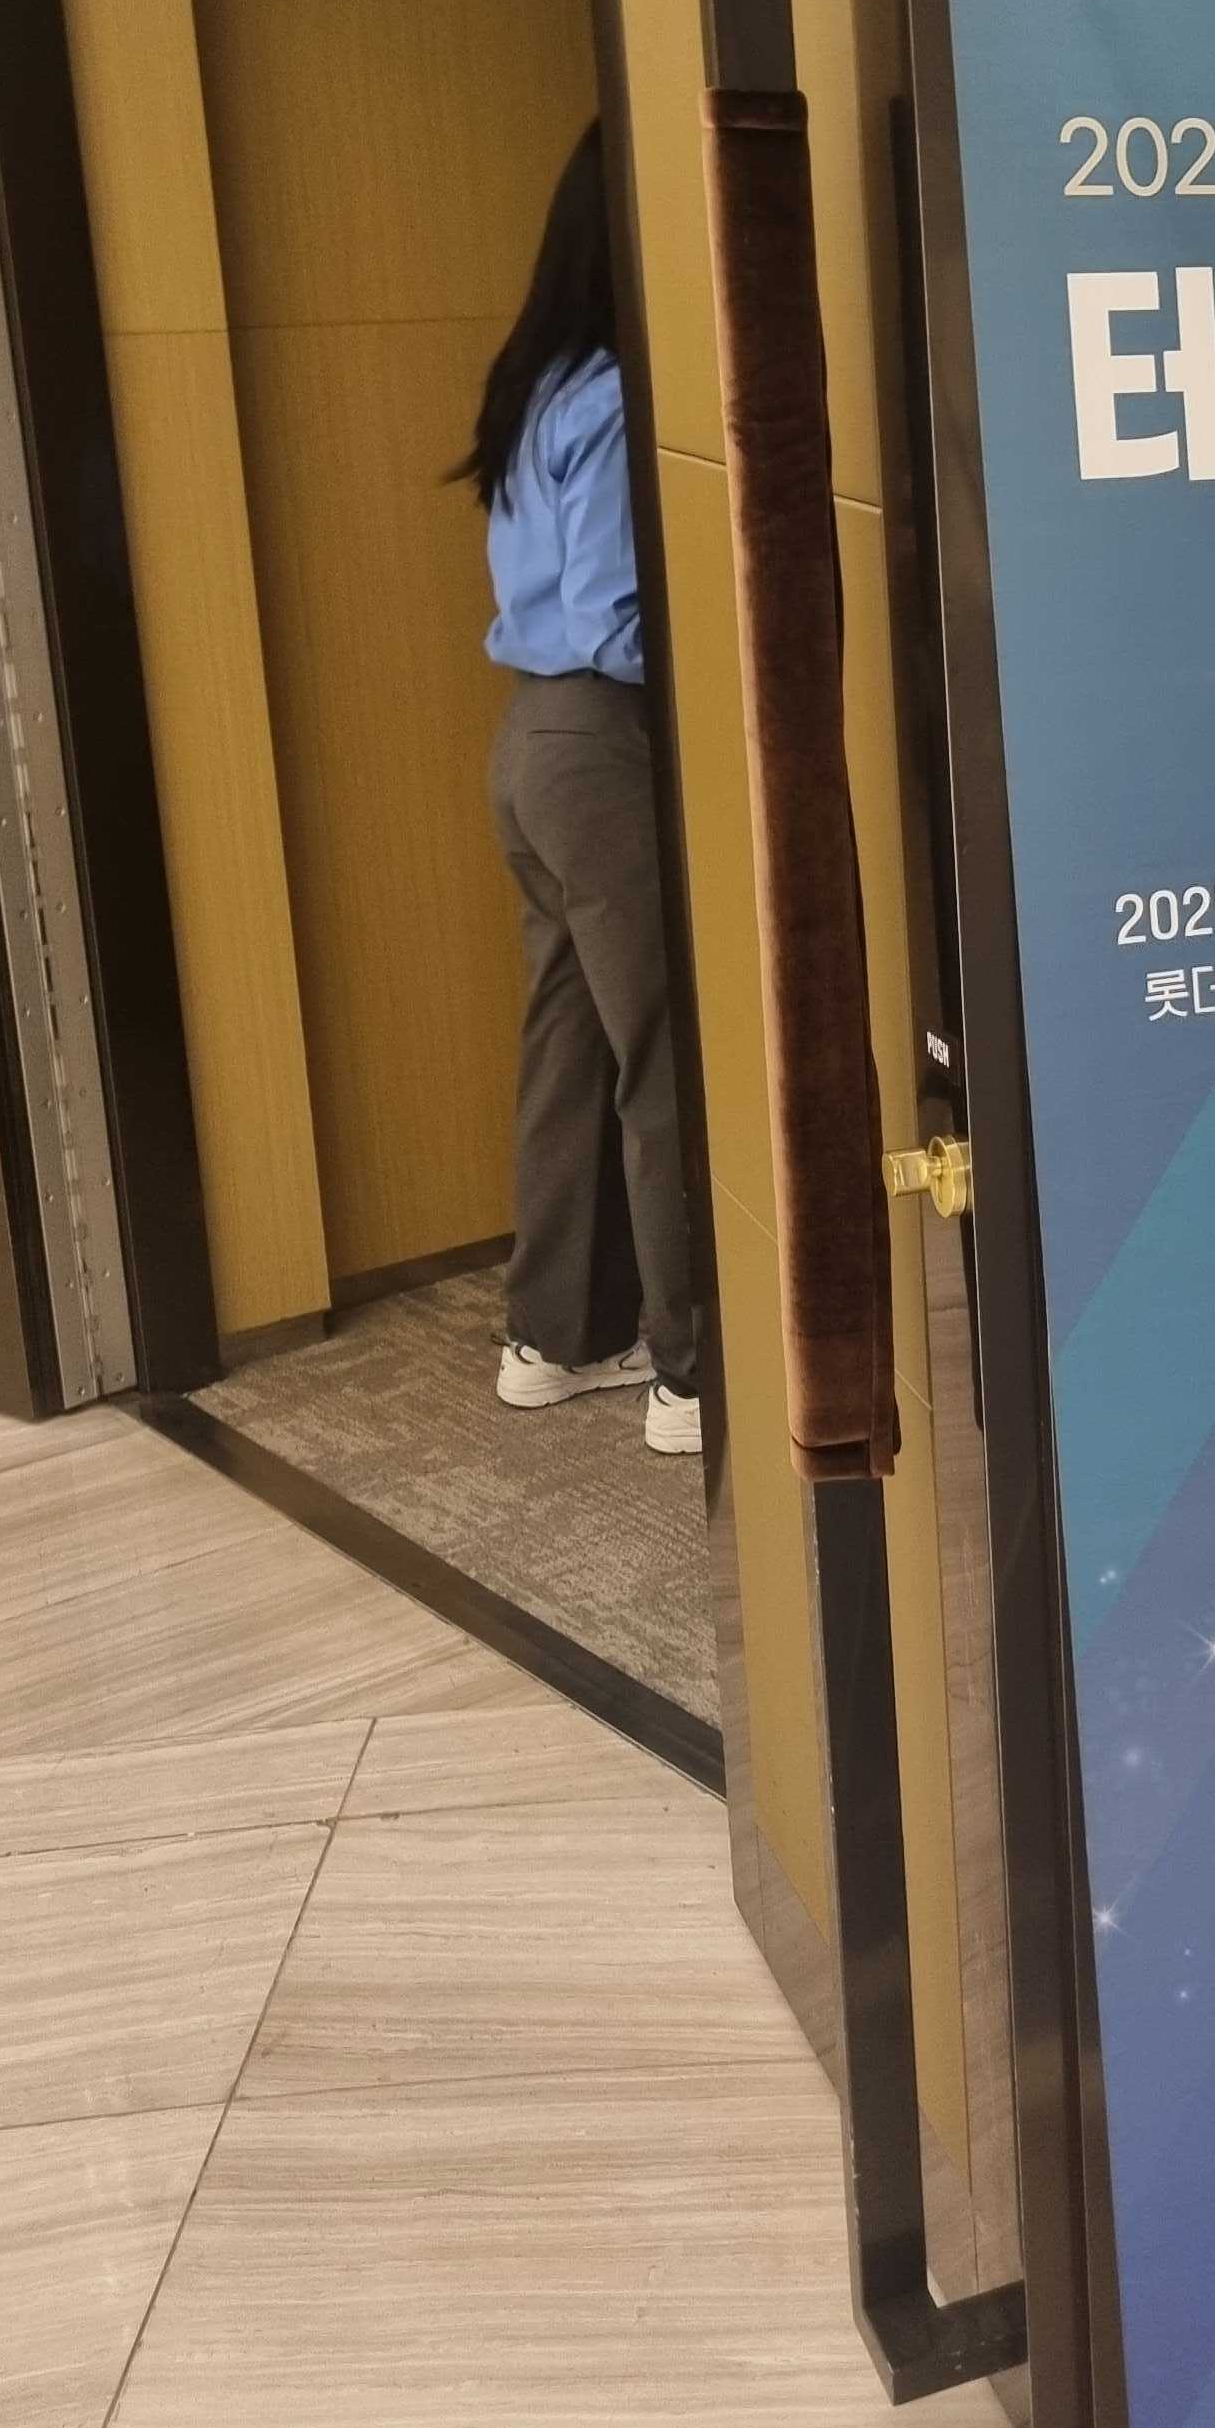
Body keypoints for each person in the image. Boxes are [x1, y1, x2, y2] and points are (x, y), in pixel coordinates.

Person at [455, 125, 699, 1456]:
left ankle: (557, 1337)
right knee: (666, 1053)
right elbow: (617, 618)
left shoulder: (540, 381)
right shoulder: (614, 394)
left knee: (571, 1047)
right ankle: (696, 1371)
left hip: (529, 746)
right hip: (603, 744)